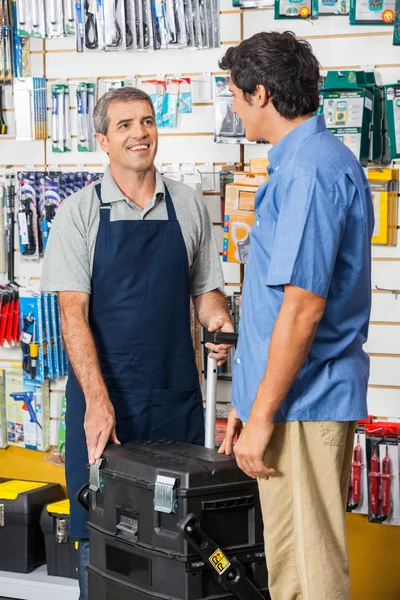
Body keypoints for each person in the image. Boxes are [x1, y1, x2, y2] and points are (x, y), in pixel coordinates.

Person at [40, 86, 233, 600]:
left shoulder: (188, 205)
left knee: (180, 545)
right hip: (107, 410)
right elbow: (72, 315)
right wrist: (98, 405)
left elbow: (207, 292)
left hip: (175, 404)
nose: (139, 133)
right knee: (104, 544)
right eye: (124, 125)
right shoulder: (78, 214)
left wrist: (219, 325)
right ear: (103, 139)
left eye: (146, 121)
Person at [218, 32, 374, 600]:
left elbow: (303, 310)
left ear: (261, 95)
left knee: (310, 574)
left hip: (303, 406)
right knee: (290, 567)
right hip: (287, 402)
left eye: (234, 93)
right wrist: (246, 402)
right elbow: (274, 305)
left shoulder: (310, 172)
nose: (232, 106)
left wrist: (261, 416)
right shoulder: (302, 165)